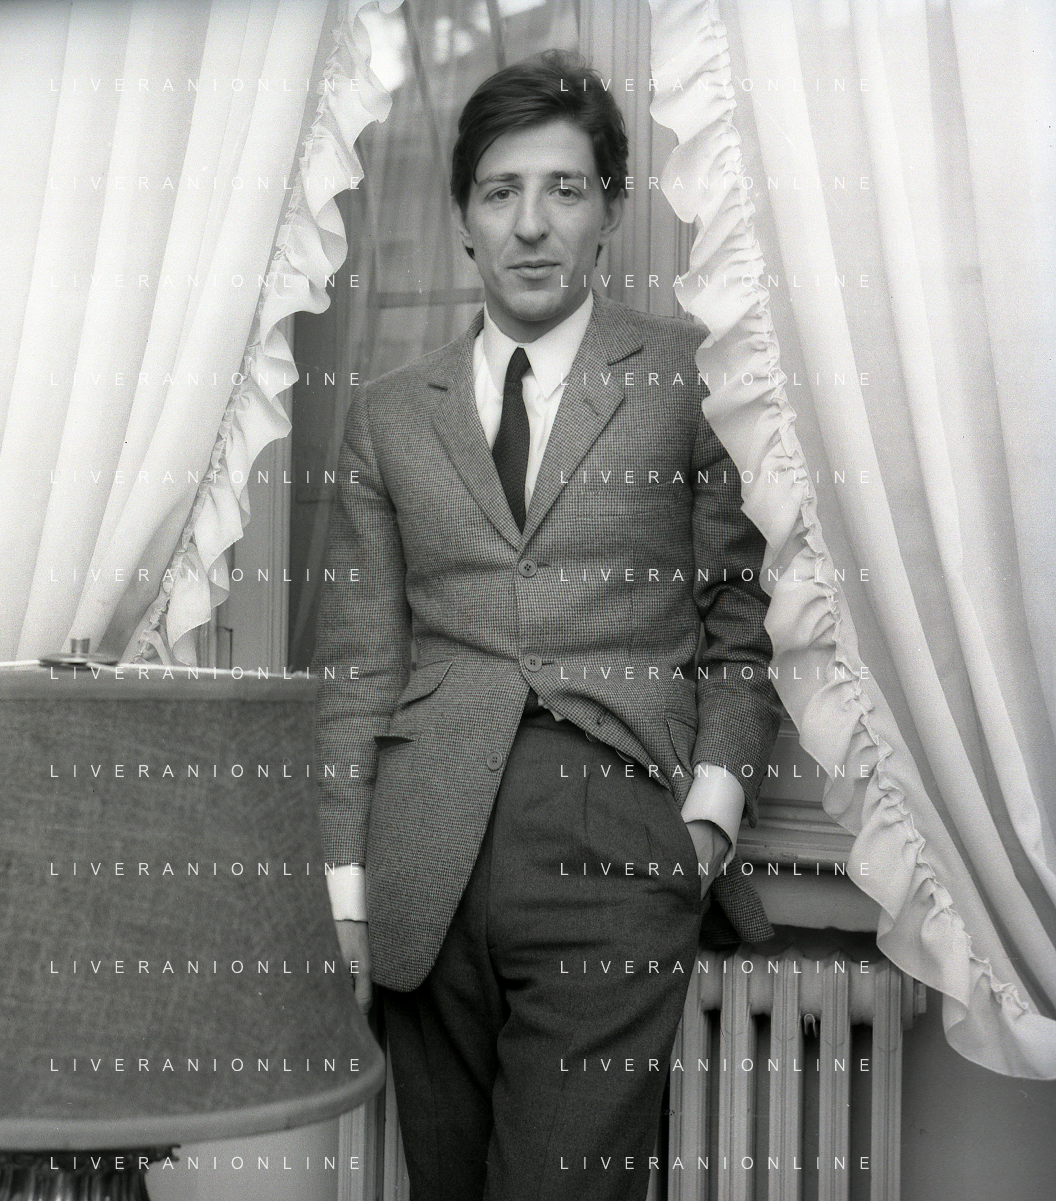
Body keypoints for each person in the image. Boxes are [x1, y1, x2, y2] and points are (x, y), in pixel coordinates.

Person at [313, 49, 780, 1201]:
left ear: (609, 211)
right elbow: (358, 670)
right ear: (464, 219)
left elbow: (739, 624)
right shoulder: (387, 417)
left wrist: (706, 820)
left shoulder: (688, 385)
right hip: (423, 864)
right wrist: (346, 895)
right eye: (501, 191)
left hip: (616, 844)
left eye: (564, 189)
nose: (531, 223)